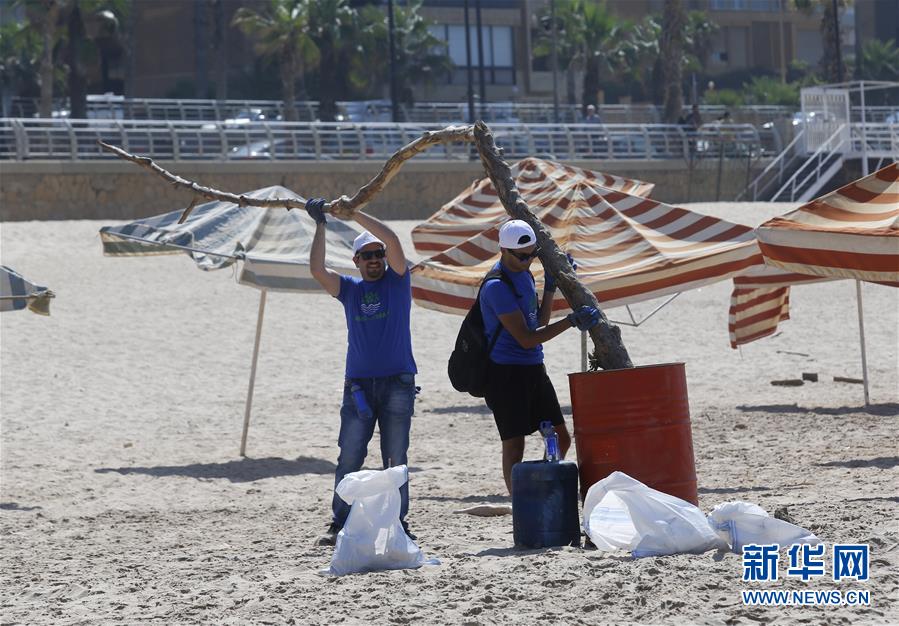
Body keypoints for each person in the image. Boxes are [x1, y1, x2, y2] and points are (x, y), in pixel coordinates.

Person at [305, 198, 418, 547]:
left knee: (395, 457)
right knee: (350, 454)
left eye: (377, 254)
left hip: (398, 383)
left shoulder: (398, 281)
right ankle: (339, 521)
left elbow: (396, 242)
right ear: (356, 261)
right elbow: (317, 270)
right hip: (357, 387)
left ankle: (398, 523)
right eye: (367, 256)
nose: (374, 260)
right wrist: (321, 224)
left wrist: (354, 214)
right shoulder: (350, 290)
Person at [479, 219, 600, 493]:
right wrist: (571, 322)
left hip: (534, 367)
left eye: (533, 255)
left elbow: (538, 322)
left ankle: (541, 490)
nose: (527, 261)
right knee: (514, 445)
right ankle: (522, 506)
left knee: (562, 438)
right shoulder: (496, 286)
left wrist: (550, 287)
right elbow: (526, 338)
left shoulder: (525, 274)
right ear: (503, 250)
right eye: (522, 256)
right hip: (505, 374)